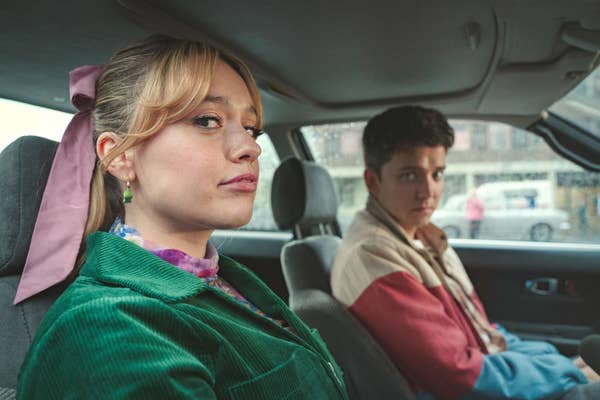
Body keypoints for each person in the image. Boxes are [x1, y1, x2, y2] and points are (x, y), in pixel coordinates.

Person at [16, 35, 347, 400]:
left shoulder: (224, 279)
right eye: (207, 120)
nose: (251, 147)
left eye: (251, 128)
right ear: (120, 157)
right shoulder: (111, 327)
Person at [330, 105, 599, 399]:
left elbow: (484, 334)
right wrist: (566, 374)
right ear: (373, 181)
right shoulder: (373, 255)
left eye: (437, 173)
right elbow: (461, 377)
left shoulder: (421, 235)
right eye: (409, 175)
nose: (428, 191)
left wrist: (558, 364)